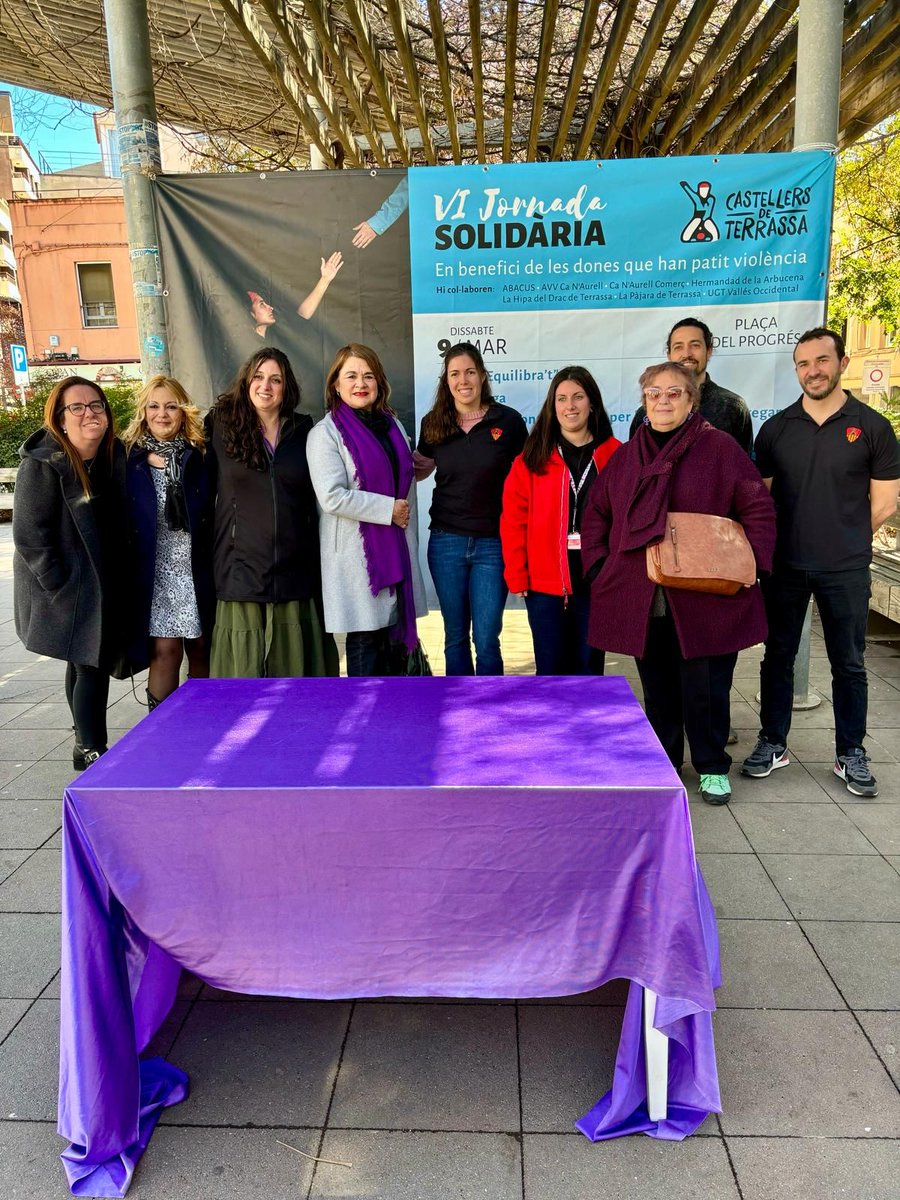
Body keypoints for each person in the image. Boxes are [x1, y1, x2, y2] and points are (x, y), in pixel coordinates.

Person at [582, 361, 776, 806]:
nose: (663, 400)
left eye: (674, 393)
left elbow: (758, 509)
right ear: (644, 401)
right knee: (658, 687)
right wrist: (599, 567)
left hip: (704, 597)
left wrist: (753, 566)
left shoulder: (720, 449)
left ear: (691, 401)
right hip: (644, 596)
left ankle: (710, 766)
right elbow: (595, 514)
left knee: (705, 687)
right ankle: (667, 763)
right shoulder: (628, 457)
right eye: (654, 393)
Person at [742, 327, 900, 797]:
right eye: (803, 363)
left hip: (845, 567)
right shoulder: (776, 429)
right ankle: (773, 742)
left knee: (848, 664)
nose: (813, 371)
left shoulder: (872, 426)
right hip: (785, 566)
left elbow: (886, 503)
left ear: (842, 362)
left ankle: (850, 752)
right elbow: (763, 501)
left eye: (822, 361)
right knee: (778, 658)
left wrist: (844, 538)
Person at [13, 377, 129, 768]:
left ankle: (83, 744)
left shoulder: (112, 456)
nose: (89, 413)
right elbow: (29, 535)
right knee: (89, 664)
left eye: (96, 405)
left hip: (99, 581)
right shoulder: (44, 462)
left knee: (81, 661)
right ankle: (95, 751)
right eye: (76, 407)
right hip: (66, 587)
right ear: (60, 419)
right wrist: (58, 582)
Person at [205, 347, 337, 678]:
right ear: (247, 381)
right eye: (259, 377)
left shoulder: (305, 430)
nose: (266, 386)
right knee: (243, 677)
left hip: (295, 568)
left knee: (298, 677)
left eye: (275, 379)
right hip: (240, 567)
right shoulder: (219, 426)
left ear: (286, 387)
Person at [307, 343, 426, 675]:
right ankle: (363, 724)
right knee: (365, 643)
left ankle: (393, 721)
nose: (361, 383)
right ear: (336, 384)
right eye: (351, 376)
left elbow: (406, 485)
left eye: (368, 375)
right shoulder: (324, 434)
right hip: (356, 560)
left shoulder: (393, 427)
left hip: (396, 549)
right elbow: (332, 496)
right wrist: (388, 509)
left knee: (393, 644)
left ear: (379, 382)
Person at [417, 341, 528, 675]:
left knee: (487, 639)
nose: (462, 380)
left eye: (469, 372)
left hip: (493, 544)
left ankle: (489, 715)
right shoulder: (434, 423)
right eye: (454, 374)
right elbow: (418, 467)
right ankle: (459, 714)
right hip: (446, 542)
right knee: (454, 637)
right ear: (446, 381)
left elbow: (528, 478)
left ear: (481, 375)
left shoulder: (508, 421)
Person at [501, 366, 620, 674]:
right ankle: (551, 725)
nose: (570, 406)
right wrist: (517, 573)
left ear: (591, 402)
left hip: (596, 582)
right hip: (544, 585)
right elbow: (514, 520)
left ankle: (585, 725)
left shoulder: (616, 455)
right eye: (562, 398)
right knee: (550, 669)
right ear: (552, 407)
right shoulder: (531, 459)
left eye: (578, 397)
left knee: (589, 669)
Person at [123, 375, 215, 708]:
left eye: (171, 406)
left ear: (183, 411)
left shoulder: (200, 456)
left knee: (203, 648)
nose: (162, 413)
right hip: (156, 572)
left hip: (197, 567)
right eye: (154, 406)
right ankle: (159, 738)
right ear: (144, 412)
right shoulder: (129, 461)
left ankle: (204, 728)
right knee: (165, 650)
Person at [628, 317, 753, 454]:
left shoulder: (732, 407)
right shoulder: (648, 412)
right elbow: (634, 466)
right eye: (678, 347)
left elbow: (742, 468)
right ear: (669, 355)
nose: (686, 354)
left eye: (695, 345)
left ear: (709, 351)